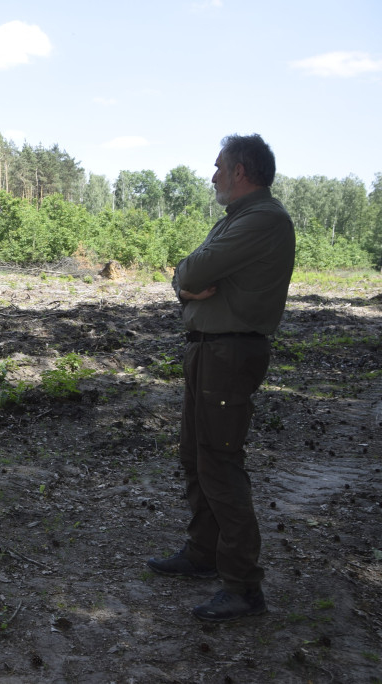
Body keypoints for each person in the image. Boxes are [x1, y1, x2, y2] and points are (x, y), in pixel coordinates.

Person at [147, 134, 295, 622]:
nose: (212, 176)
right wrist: (187, 288)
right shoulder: (237, 219)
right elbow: (183, 275)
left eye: (217, 167)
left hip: (229, 354)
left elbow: (194, 269)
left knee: (219, 465)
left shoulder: (263, 220)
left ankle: (243, 587)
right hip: (209, 351)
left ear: (241, 171)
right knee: (195, 456)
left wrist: (188, 283)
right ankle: (203, 552)